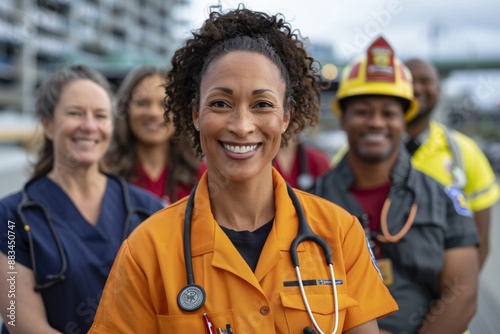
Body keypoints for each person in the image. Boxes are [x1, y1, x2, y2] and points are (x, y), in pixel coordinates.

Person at [89, 7, 398, 334]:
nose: (241, 126)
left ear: (286, 117)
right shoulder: (146, 250)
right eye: (220, 103)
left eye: (262, 104)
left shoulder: (340, 234)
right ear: (195, 114)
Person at [312, 36, 479, 334]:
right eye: (362, 111)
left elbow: (462, 295)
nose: (376, 122)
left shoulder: (443, 200)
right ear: (343, 120)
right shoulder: (309, 203)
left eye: (389, 113)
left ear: (404, 121)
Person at [0, 65, 164, 334]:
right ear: (47, 124)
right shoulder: (10, 217)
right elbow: (20, 323)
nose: (89, 126)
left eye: (100, 116)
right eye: (75, 113)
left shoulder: (148, 210)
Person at [404, 58, 500, 269]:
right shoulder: (361, 153)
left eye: (426, 81)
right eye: (409, 79)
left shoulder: (465, 151)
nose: (417, 87)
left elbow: (481, 243)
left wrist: (457, 298)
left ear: (439, 88)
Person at [105, 66, 206, 205]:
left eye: (165, 104)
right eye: (142, 103)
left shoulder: (203, 177)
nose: (154, 113)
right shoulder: (104, 172)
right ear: (125, 109)